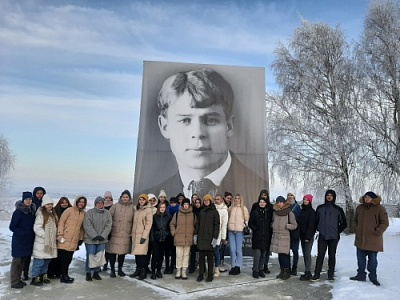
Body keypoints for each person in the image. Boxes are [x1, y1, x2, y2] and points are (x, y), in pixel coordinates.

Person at [144, 69, 268, 206]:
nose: (197, 133)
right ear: (165, 126)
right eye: (185, 120)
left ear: (229, 126)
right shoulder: (149, 197)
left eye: (211, 120)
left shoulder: (259, 188)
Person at [349, 191, 389, 286]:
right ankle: (360, 275)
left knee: (372, 261)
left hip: (373, 240)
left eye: (369, 197)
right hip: (360, 239)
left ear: (373, 198)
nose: (367, 198)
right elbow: (355, 220)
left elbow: (385, 223)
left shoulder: (380, 208)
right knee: (360, 259)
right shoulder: (359, 208)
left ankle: (373, 277)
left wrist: (377, 232)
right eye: (365, 197)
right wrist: (356, 228)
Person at [311, 189, 347, 282]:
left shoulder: (338, 209)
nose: (329, 197)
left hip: (334, 237)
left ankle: (330, 274)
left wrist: (337, 231)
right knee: (320, 255)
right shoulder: (320, 208)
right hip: (322, 236)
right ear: (325, 196)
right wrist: (317, 230)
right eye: (328, 195)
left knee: (332, 255)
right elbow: (315, 221)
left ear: (334, 197)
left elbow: (344, 223)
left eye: (331, 195)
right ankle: (316, 274)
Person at [57, 195, 87, 284]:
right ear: (76, 202)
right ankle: (63, 275)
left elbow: (82, 228)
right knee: (63, 258)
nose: (81, 204)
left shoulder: (83, 214)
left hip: (74, 239)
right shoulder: (69, 210)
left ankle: (65, 275)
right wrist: (60, 234)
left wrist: (81, 238)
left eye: (83, 202)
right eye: (80, 201)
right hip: (65, 237)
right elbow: (61, 222)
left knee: (69, 258)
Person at [9, 192, 36, 289]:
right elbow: (12, 227)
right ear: (23, 200)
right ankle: (14, 282)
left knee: (23, 261)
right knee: (17, 262)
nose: (28, 201)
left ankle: (18, 280)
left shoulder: (32, 211)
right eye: (26, 199)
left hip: (28, 241)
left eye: (30, 199)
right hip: (19, 241)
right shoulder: (18, 212)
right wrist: (22, 233)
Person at [31, 195, 58, 286]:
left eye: (51, 204)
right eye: (47, 204)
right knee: (39, 262)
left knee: (46, 261)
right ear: (44, 205)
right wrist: (45, 235)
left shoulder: (53, 215)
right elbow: (37, 228)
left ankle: (43, 275)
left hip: (50, 242)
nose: (50, 206)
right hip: (42, 243)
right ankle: (35, 277)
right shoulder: (41, 215)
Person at [106, 190, 135, 278]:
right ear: (121, 197)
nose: (125, 198)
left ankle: (120, 269)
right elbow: (108, 218)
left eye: (127, 197)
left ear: (129, 198)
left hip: (126, 234)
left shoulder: (133, 207)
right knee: (112, 252)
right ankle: (112, 270)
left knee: (122, 253)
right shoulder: (115, 206)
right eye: (123, 197)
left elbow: (135, 220)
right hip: (115, 233)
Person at [83, 196, 112, 281]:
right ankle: (88, 272)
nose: (100, 204)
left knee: (99, 256)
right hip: (90, 239)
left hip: (102, 239)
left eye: (101, 203)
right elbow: (87, 225)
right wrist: (94, 235)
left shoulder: (107, 213)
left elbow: (108, 225)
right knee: (90, 255)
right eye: (98, 203)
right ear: (95, 204)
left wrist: (103, 235)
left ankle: (96, 272)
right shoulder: (90, 212)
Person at [270, 196, 298, 280]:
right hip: (276, 236)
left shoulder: (289, 213)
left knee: (284, 255)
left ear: (284, 203)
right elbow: (272, 222)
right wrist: (272, 225)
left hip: (285, 236)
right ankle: (282, 271)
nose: (279, 204)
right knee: (280, 255)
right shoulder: (275, 212)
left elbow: (294, 225)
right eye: (277, 202)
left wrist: (287, 226)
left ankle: (287, 272)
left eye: (281, 202)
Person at [194, 194, 220, 282]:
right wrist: (196, 235)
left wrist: (215, 238)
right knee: (201, 258)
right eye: (205, 201)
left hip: (210, 238)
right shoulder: (202, 211)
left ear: (210, 201)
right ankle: (201, 274)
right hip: (201, 237)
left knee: (210, 258)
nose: (206, 202)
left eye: (207, 201)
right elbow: (198, 224)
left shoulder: (214, 212)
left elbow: (217, 225)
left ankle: (210, 275)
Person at [23, 186, 46, 281]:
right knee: (27, 253)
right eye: (38, 193)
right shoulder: (32, 204)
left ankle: (41, 273)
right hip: (31, 231)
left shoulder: (45, 204)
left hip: (40, 232)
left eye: (41, 193)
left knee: (40, 254)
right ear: (34, 194)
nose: (40, 195)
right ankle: (25, 272)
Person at [170, 197, 196, 280]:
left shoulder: (193, 215)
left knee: (186, 255)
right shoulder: (177, 214)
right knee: (179, 255)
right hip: (179, 238)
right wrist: (174, 233)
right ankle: (178, 270)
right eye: (184, 204)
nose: (186, 206)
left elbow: (196, 225)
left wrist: (193, 234)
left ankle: (184, 271)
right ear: (182, 204)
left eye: (187, 204)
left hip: (188, 238)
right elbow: (172, 224)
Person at [249, 193, 273, 278]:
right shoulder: (255, 212)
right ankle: (255, 270)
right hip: (257, 237)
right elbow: (250, 223)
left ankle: (260, 269)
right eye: (260, 202)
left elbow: (271, 223)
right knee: (257, 255)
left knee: (263, 255)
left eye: (263, 202)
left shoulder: (268, 213)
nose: (262, 203)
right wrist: (256, 230)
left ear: (266, 203)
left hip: (266, 237)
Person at [47, 197, 72, 279]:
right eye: (62, 202)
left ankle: (59, 273)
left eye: (66, 202)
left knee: (63, 257)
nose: (64, 204)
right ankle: (50, 273)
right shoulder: (54, 211)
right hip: (57, 236)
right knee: (55, 257)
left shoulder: (71, 211)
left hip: (67, 237)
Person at [130, 194, 153, 280]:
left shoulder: (148, 210)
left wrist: (144, 236)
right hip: (135, 235)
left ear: (146, 201)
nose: (141, 201)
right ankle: (138, 270)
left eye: (143, 200)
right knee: (137, 254)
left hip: (142, 235)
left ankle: (143, 271)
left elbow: (148, 224)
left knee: (142, 255)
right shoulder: (137, 209)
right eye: (140, 200)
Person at [227, 194, 249, 275]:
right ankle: (233, 266)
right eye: (235, 198)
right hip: (231, 231)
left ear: (241, 200)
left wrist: (243, 225)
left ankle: (238, 266)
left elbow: (247, 220)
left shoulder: (244, 208)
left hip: (239, 232)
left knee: (238, 249)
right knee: (232, 249)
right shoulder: (230, 208)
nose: (236, 200)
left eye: (238, 198)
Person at [150, 202, 171, 279]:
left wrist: (167, 234)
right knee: (155, 256)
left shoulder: (168, 217)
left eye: (164, 207)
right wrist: (152, 238)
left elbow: (169, 227)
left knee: (161, 256)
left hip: (164, 239)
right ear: (158, 208)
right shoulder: (155, 217)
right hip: (156, 239)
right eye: (161, 207)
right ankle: (153, 271)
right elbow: (152, 229)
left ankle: (158, 271)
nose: (162, 208)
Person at [298, 194, 316, 281]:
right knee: (305, 253)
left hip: (308, 236)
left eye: (307, 200)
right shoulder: (302, 211)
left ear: (310, 201)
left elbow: (311, 226)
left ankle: (308, 272)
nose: (305, 201)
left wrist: (308, 237)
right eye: (304, 199)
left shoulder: (312, 212)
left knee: (307, 254)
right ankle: (306, 271)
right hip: (302, 235)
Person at [213, 194, 228, 278]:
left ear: (222, 200)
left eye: (218, 199)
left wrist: (223, 237)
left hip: (218, 234)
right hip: (210, 233)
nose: (216, 201)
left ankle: (217, 268)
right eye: (215, 199)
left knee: (216, 251)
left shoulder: (224, 210)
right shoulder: (212, 208)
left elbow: (224, 225)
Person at [286, 192, 301, 275]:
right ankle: (287, 267)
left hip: (295, 231)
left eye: (291, 195)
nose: (290, 197)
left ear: (294, 197)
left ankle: (294, 268)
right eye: (288, 195)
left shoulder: (298, 207)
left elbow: (299, 218)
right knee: (286, 251)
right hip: (286, 231)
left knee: (295, 250)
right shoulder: (284, 206)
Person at [164, 196, 179, 274]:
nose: (172, 204)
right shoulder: (167, 209)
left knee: (173, 251)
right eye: (171, 203)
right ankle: (166, 266)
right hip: (167, 233)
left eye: (174, 202)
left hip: (175, 233)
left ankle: (172, 266)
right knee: (167, 251)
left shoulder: (179, 210)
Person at [189, 197, 202, 273]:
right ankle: (192, 266)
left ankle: (201, 267)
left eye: (198, 203)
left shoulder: (203, 211)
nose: (197, 204)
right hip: (193, 232)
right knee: (193, 250)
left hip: (201, 233)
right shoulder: (192, 212)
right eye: (196, 202)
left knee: (201, 251)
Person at [103, 191, 113, 271]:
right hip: (101, 231)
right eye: (106, 197)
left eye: (109, 198)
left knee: (108, 250)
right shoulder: (100, 206)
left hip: (110, 232)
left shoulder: (113, 207)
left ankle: (105, 264)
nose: (108, 199)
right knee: (100, 249)